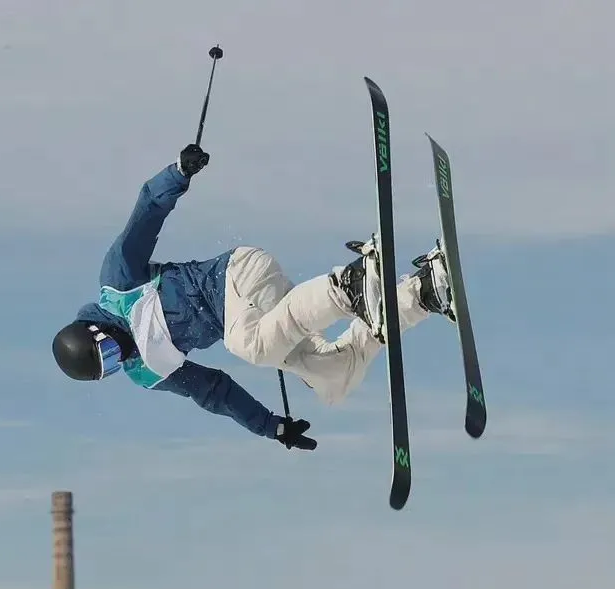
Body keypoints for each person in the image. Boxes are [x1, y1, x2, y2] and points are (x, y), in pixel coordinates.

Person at [50, 144, 455, 451]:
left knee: (251, 346)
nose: (120, 357)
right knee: (332, 380)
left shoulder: (119, 283)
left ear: (95, 329)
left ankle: (347, 285)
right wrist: (271, 426)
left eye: (107, 353)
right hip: (250, 315)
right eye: (111, 368)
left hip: (238, 276)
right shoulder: (146, 371)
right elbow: (212, 391)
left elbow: (147, 214)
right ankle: (422, 293)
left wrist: (177, 173)